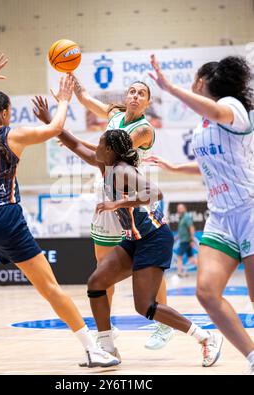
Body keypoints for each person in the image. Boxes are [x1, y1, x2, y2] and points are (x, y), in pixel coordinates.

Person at [0, 52, 120, 368]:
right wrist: (65, 100)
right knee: (49, 288)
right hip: (5, 216)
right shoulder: (15, 135)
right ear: (4, 114)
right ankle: (91, 349)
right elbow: (56, 126)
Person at [56, 127, 223, 368]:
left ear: (110, 150)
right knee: (96, 283)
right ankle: (107, 349)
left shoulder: (123, 169)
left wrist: (119, 203)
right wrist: (52, 124)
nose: (96, 147)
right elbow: (76, 146)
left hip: (154, 237)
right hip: (135, 239)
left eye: (100, 143)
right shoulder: (107, 165)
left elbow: (155, 192)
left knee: (145, 306)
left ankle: (206, 338)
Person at [145, 54, 254, 374]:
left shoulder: (233, 107)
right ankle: (252, 357)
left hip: (249, 209)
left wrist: (169, 87)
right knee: (206, 292)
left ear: (203, 81)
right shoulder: (201, 126)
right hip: (220, 216)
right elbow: (209, 167)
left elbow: (216, 110)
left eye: (194, 79)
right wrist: (174, 166)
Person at [71, 76, 174, 350]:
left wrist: (73, 140)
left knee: (149, 263)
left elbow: (109, 150)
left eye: (142, 93)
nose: (136, 96)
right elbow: (88, 101)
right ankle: (109, 326)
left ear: (148, 102)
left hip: (130, 193)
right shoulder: (114, 114)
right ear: (126, 96)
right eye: (132, 91)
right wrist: (76, 88)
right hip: (106, 189)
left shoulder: (144, 130)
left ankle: (164, 324)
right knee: (103, 263)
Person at [176, 203, 198, 277]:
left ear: (184, 208)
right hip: (183, 240)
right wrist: (176, 238)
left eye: (181, 208)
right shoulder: (181, 218)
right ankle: (204, 270)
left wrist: (192, 240)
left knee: (179, 256)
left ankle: (179, 273)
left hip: (186, 241)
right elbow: (182, 231)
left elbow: (191, 228)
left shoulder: (186, 217)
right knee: (191, 259)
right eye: (178, 208)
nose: (179, 209)